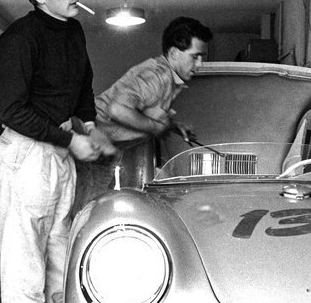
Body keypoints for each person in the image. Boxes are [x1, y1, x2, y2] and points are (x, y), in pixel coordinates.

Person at [0, 0, 114, 303]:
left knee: (58, 254)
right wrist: (70, 140)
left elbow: (83, 85)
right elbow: (13, 112)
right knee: (24, 264)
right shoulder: (20, 38)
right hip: (26, 154)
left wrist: (90, 126)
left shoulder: (74, 31)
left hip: (60, 150)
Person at [77, 16, 213, 207]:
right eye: (194, 57)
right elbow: (116, 109)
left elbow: (146, 112)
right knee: (85, 213)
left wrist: (174, 126)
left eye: (202, 58)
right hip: (89, 147)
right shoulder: (157, 76)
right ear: (174, 53)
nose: (199, 65)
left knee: (91, 209)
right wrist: (156, 128)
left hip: (101, 154)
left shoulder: (170, 79)